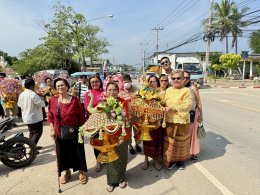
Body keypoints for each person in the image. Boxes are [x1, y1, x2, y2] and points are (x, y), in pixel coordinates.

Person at [48, 78, 88, 185]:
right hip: (59, 132)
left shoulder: (75, 100)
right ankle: (67, 172)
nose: (60, 87)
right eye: (58, 86)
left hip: (75, 131)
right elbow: (50, 116)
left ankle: (81, 172)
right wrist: (52, 129)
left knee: (78, 152)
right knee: (63, 153)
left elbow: (81, 116)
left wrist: (83, 129)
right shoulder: (53, 100)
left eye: (62, 85)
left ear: (67, 86)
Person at [163, 70, 192, 170]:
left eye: (178, 78)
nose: (176, 80)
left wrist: (171, 108)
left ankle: (180, 161)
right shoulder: (168, 90)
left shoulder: (187, 91)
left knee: (181, 142)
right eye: (174, 78)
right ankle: (171, 160)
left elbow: (187, 105)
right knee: (170, 142)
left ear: (183, 79)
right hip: (169, 121)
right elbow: (163, 102)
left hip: (182, 121)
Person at [104, 82, 130, 192]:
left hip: (121, 133)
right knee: (110, 158)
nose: (112, 92)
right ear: (106, 91)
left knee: (121, 156)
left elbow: (126, 117)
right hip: (108, 134)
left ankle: (121, 178)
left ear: (118, 91)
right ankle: (110, 181)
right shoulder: (103, 103)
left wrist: (122, 135)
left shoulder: (123, 102)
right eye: (109, 90)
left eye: (114, 89)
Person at [142, 75, 163, 171]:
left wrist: (159, 120)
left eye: (154, 81)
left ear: (157, 83)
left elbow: (163, 108)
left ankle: (155, 160)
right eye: (150, 81)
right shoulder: (144, 92)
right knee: (146, 140)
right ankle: (146, 159)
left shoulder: (161, 93)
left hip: (157, 121)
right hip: (146, 120)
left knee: (156, 141)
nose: (152, 83)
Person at [17, 79, 46, 151]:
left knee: (32, 132)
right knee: (37, 132)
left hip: (26, 117)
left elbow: (19, 104)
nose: (35, 86)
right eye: (34, 85)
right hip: (34, 117)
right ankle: (32, 149)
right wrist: (44, 102)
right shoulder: (33, 94)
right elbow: (40, 104)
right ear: (31, 86)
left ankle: (32, 146)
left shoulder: (22, 94)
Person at [84, 74, 104, 172]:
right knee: (96, 142)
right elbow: (88, 109)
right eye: (92, 82)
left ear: (100, 81)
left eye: (96, 81)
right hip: (94, 122)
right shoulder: (88, 94)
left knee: (106, 141)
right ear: (90, 84)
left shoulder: (105, 92)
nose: (94, 83)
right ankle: (98, 161)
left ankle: (107, 159)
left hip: (106, 121)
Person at [119, 74, 141, 155]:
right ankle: (130, 146)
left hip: (136, 114)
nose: (126, 84)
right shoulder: (120, 92)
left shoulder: (137, 90)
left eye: (128, 82)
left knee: (137, 130)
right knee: (128, 131)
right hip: (126, 116)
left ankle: (137, 144)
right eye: (124, 82)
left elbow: (141, 100)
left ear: (131, 82)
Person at [183, 71, 203, 161]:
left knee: (193, 135)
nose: (185, 79)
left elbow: (198, 102)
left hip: (192, 114)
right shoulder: (178, 88)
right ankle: (184, 152)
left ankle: (193, 152)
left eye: (187, 78)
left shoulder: (193, 88)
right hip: (182, 115)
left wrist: (201, 114)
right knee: (184, 135)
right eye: (183, 77)